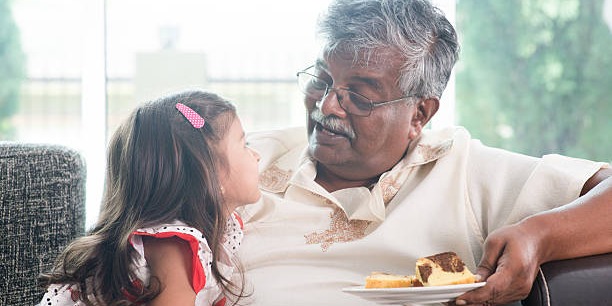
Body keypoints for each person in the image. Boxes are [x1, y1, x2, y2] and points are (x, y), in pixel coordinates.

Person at [233, 0, 612, 305]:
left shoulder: (461, 168)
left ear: (420, 114)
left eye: (360, 95)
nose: (328, 105)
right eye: (322, 80)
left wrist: (540, 235)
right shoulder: (243, 159)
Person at [38, 90, 261, 306]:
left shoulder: (207, 236)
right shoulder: (174, 246)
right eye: (245, 145)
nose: (257, 155)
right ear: (211, 173)